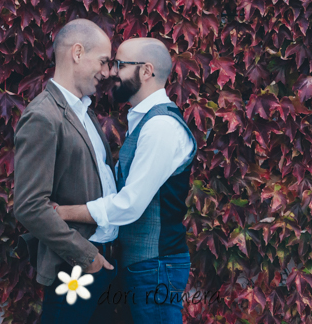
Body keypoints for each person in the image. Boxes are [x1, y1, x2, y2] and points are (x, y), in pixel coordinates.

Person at [55, 37, 197, 324]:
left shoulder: (160, 127)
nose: (110, 72)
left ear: (146, 71)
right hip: (144, 266)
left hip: (156, 267)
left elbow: (129, 205)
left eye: (119, 65)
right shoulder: (146, 122)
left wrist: (63, 212)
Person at [13, 19, 121, 324]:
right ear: (77, 52)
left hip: (103, 263)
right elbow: (29, 206)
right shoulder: (43, 117)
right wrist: (87, 258)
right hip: (75, 269)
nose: (106, 72)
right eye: (102, 61)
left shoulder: (85, 112)